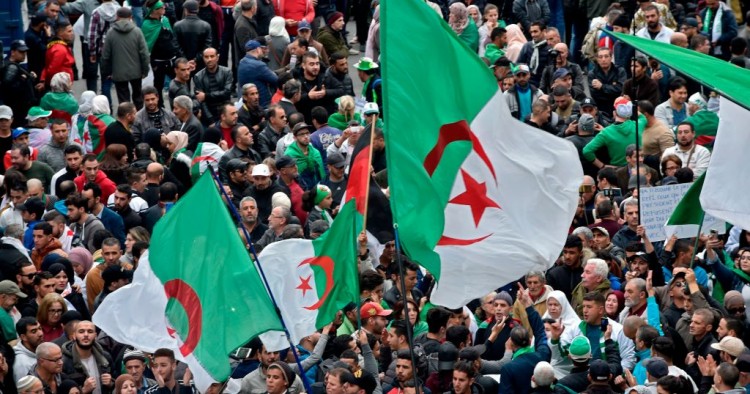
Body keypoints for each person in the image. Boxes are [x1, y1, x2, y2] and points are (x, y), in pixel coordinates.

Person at [498, 284, 552, 394]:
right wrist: (527, 305)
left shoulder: (508, 369)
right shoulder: (543, 355)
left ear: (511, 343)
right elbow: (540, 331)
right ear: (529, 340)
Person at [102, 8, 150, 110]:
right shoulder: (137, 31)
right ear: (131, 17)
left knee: (123, 99)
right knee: (138, 97)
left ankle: (126, 120)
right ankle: (139, 119)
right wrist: (145, 70)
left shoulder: (111, 33)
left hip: (118, 72)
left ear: (117, 17)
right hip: (136, 72)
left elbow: (106, 55)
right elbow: (144, 53)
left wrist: (106, 72)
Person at [583, 97, 646, 168]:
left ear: (614, 112)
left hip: (618, 171)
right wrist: (628, 105)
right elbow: (642, 117)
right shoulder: (638, 125)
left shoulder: (606, 132)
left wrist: (603, 166)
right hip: (639, 168)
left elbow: (586, 151)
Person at [193, 48, 232, 122]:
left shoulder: (227, 72)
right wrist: (210, 120)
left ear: (217, 57)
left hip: (226, 109)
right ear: (203, 58)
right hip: (209, 113)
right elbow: (201, 101)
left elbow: (227, 93)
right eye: (206, 57)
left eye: (212, 56)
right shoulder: (198, 76)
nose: (209, 59)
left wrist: (206, 96)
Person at [237, 40, 278, 108]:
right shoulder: (259, 65)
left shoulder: (242, 62)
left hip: (248, 103)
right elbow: (276, 80)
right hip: (263, 104)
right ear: (258, 49)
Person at [173, 0, 212, 71]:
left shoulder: (177, 26)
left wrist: (185, 59)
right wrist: (195, 59)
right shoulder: (206, 26)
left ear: (186, 10)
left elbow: (175, 45)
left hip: (182, 64)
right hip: (200, 63)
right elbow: (207, 46)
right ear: (198, 9)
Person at [40, 19, 75, 90]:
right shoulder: (60, 49)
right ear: (60, 33)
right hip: (60, 87)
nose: (72, 33)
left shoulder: (56, 45)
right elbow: (52, 70)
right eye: (69, 31)